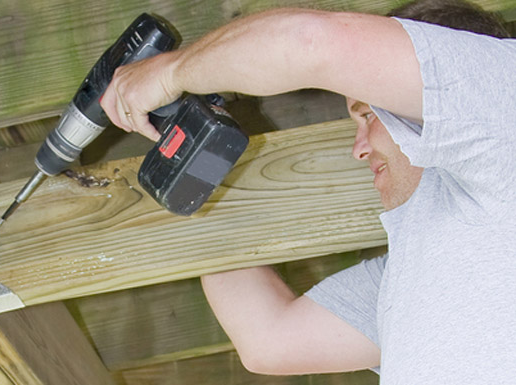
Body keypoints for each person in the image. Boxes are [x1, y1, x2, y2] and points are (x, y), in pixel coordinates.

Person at [99, 0, 515, 382]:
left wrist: (170, 73)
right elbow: (268, 340)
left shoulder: (503, 97)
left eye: (367, 114)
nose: (359, 148)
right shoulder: (417, 270)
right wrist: (194, 169)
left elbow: (310, 41)